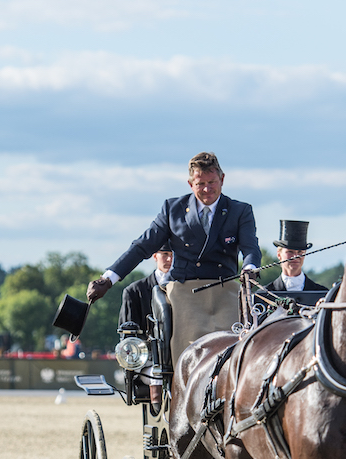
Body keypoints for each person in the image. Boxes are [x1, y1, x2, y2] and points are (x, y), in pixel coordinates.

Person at [87, 151, 262, 355]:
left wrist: (250, 268)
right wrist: (108, 279)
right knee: (187, 349)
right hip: (185, 289)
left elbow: (251, 247)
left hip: (225, 288)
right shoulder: (173, 209)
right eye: (200, 184)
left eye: (212, 182)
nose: (207, 189)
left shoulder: (240, 211)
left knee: (234, 347)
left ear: (222, 179)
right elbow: (143, 245)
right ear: (190, 184)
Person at [119, 245, 174, 332]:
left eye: (173, 255)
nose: (169, 259)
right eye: (165, 254)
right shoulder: (134, 291)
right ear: (155, 256)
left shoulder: (186, 288)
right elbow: (128, 335)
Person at [264, 220, 328, 293]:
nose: (295, 256)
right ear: (279, 254)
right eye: (290, 252)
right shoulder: (266, 293)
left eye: (300, 252)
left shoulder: (321, 293)